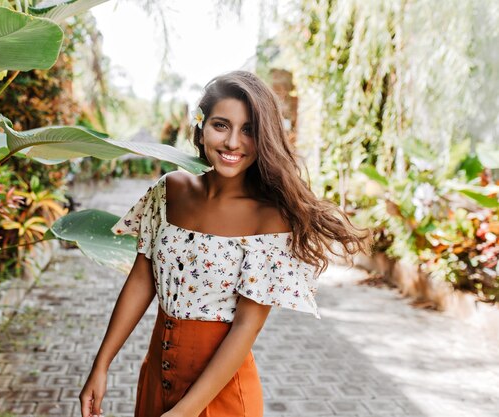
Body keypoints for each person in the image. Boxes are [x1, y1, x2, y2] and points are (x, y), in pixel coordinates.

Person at [79, 70, 368, 417]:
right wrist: (101, 364)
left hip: (222, 398)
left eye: (249, 130)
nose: (233, 142)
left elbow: (247, 326)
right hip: (156, 381)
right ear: (201, 128)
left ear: (265, 138)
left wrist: (182, 413)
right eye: (221, 125)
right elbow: (142, 280)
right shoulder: (169, 190)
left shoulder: (269, 219)